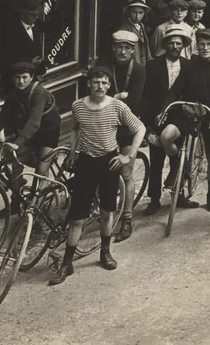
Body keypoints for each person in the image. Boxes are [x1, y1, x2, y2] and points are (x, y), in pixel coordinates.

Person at [50, 66, 145, 285]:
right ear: (89, 84)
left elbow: (139, 128)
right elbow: (74, 129)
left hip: (109, 163)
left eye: (104, 82)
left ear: (109, 85)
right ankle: (67, 263)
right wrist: (73, 153)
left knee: (106, 211)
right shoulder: (78, 106)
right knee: (77, 216)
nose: (100, 86)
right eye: (96, 82)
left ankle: (105, 252)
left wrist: (129, 156)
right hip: (85, 162)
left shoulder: (117, 106)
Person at [159, 28, 210, 212]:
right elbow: (176, 89)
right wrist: (164, 110)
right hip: (187, 113)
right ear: (196, 46)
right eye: (201, 44)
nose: (205, 48)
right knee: (166, 136)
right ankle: (178, 166)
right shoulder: (190, 66)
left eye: (209, 44)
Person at [140, 26, 191, 216]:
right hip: (157, 117)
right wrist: (147, 125)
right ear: (165, 44)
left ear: (183, 45)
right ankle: (154, 200)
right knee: (157, 160)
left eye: (179, 43)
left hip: (180, 117)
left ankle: (180, 195)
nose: (175, 46)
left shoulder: (188, 65)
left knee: (182, 153)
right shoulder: (153, 66)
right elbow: (145, 97)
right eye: (171, 43)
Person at [107, 29, 147, 240]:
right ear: (113, 48)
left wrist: (113, 98)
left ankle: (127, 220)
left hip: (127, 125)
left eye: (127, 48)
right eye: (119, 47)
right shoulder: (105, 67)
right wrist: (119, 96)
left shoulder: (139, 70)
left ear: (132, 50)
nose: (122, 51)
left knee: (126, 172)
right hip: (106, 123)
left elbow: (135, 101)